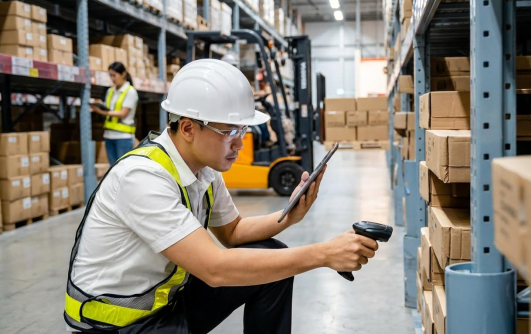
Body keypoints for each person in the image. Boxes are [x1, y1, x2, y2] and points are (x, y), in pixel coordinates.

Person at [65, 59, 379, 334]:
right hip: (118, 326)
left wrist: (288, 215)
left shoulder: (204, 169)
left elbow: (233, 232)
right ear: (187, 128)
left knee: (272, 257)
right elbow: (216, 269)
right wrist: (323, 254)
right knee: (270, 262)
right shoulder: (142, 178)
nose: (240, 143)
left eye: (242, 131)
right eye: (230, 132)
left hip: (166, 303)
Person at [90, 61, 139, 165]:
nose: (112, 79)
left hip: (123, 137)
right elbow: (110, 108)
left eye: (114, 75)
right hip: (109, 136)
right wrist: (99, 104)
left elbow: (122, 113)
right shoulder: (110, 91)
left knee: (123, 170)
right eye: (110, 75)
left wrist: (101, 112)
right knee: (113, 170)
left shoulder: (130, 91)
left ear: (123, 74)